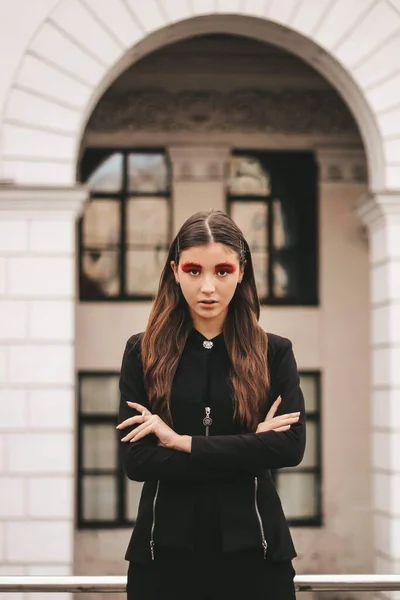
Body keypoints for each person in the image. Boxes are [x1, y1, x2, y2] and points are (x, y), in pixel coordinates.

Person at [117, 209, 306, 600]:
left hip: (256, 556)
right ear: (175, 271)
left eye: (222, 271)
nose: (208, 287)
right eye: (193, 270)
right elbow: (138, 462)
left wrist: (181, 442)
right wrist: (248, 447)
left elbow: (289, 447)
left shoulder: (274, 353)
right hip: (163, 558)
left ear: (241, 271)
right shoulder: (142, 352)